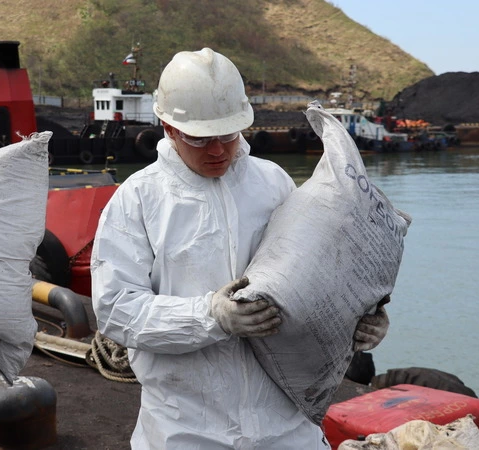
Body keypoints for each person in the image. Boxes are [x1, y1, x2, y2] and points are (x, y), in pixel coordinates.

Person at [91, 48, 390, 449]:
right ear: (167, 127)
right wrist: (210, 316)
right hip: (186, 429)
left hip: (286, 424)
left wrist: (360, 315)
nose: (218, 150)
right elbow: (116, 309)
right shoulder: (138, 200)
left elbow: (321, 275)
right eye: (200, 138)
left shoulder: (274, 183)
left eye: (228, 134)